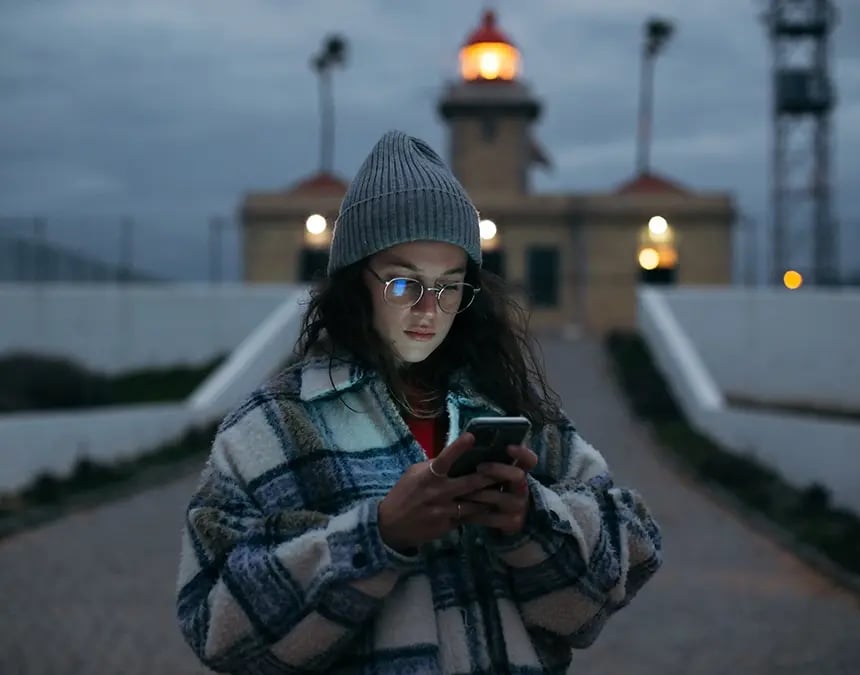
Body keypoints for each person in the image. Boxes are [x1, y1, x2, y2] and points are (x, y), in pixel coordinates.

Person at [176, 130, 662, 674]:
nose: (430, 311)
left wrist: (531, 521)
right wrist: (378, 535)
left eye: (450, 286)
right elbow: (216, 627)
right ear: (352, 284)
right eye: (405, 285)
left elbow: (631, 552)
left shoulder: (509, 411)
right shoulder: (268, 429)